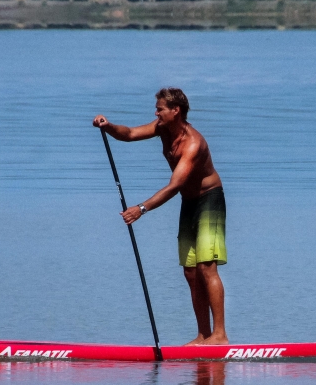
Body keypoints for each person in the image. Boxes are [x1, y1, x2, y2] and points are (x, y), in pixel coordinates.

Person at [93, 88, 228, 346]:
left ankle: (220, 335)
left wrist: (141, 209)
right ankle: (203, 336)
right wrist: (108, 126)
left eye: (160, 109)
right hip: (189, 202)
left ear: (175, 110)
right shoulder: (162, 128)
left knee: (205, 266)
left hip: (209, 200)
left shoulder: (193, 143)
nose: (156, 113)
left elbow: (175, 184)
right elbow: (130, 133)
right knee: (190, 271)